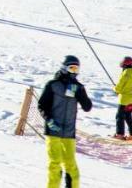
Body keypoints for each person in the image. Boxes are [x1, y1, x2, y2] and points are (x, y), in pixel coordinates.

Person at [38, 55, 93, 188]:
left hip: (69, 132)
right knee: (55, 163)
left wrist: (80, 93)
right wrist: (49, 120)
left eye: (76, 69)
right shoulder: (52, 85)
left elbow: (87, 107)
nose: (74, 72)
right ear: (64, 68)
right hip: (53, 131)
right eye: (71, 68)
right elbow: (42, 105)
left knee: (71, 165)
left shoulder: (78, 87)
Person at [113, 56, 132, 140]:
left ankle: (120, 134)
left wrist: (115, 89)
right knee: (128, 117)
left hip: (124, 101)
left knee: (119, 117)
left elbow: (119, 87)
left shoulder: (125, 74)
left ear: (124, 66)